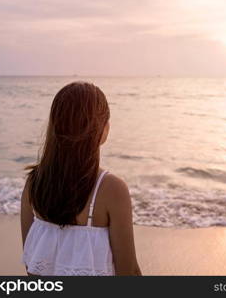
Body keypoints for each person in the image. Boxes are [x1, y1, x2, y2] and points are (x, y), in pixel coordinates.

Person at [20, 82, 141, 276]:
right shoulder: (111, 189)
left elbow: (31, 262)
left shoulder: (34, 182)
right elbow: (129, 271)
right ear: (104, 130)